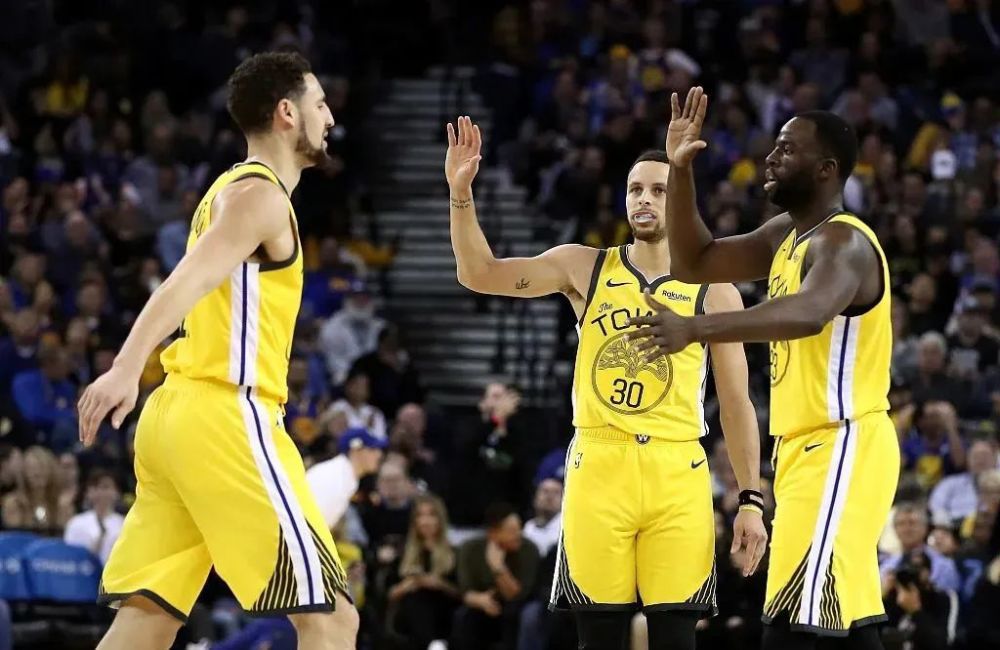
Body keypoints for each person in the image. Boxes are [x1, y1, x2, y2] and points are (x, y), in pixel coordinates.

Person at [445, 115, 767, 650]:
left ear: (682, 197)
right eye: (634, 189)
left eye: (659, 190)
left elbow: (736, 404)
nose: (644, 199)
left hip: (677, 470)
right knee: (598, 639)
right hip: (600, 465)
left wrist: (751, 500)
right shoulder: (584, 268)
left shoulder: (716, 290)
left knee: (675, 640)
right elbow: (480, 273)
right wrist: (461, 194)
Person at [75, 52, 358, 650]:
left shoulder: (227, 191)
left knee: (147, 620)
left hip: (175, 420)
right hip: (226, 414)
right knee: (332, 618)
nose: (330, 116)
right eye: (319, 103)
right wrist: (125, 367)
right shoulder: (260, 197)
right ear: (287, 113)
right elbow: (185, 280)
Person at [631, 87, 898, 649]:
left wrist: (696, 330)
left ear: (826, 169)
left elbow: (806, 313)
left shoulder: (845, 243)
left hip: (845, 442)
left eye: (787, 148)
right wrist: (679, 171)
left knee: (793, 626)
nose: (772, 157)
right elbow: (694, 262)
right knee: (840, 624)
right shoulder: (786, 235)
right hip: (802, 451)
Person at [306, 427, 387, 531]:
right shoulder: (334, 476)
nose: (379, 454)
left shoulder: (345, 475)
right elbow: (311, 525)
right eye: (372, 449)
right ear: (355, 450)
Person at [63, 469, 125, 564]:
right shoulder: (76, 522)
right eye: (95, 487)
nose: (100, 492)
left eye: (106, 487)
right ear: (88, 493)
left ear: (116, 492)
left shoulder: (124, 523)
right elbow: (69, 555)